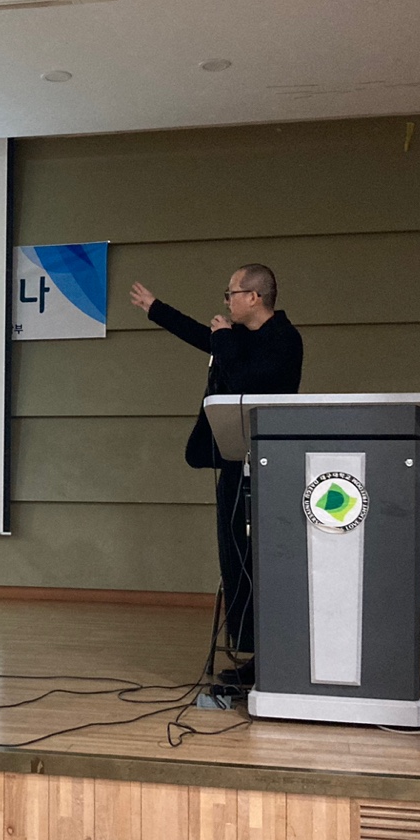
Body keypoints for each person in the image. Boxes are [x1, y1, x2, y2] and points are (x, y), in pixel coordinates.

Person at [130, 264, 303, 685]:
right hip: (233, 461)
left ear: (254, 297)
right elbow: (198, 335)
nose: (226, 301)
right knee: (234, 559)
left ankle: (273, 657)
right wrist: (155, 308)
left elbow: (247, 382)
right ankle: (249, 650)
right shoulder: (235, 336)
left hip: (266, 469)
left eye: (231, 293)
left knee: (259, 561)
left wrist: (224, 339)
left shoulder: (283, 339)